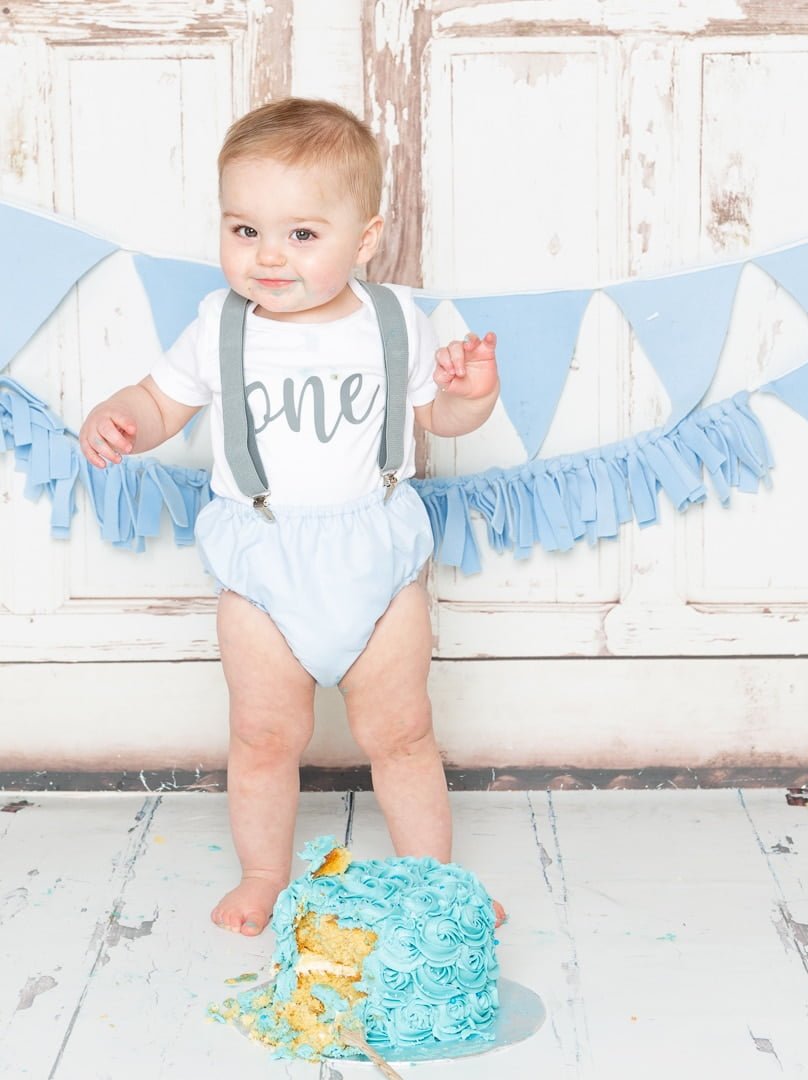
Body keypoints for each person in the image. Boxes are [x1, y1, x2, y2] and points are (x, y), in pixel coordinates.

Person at [79, 97, 503, 935]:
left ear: (365, 238)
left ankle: (434, 884)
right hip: (263, 559)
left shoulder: (394, 322)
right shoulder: (220, 325)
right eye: (245, 231)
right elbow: (164, 402)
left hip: (374, 552)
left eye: (302, 235)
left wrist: (472, 397)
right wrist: (124, 414)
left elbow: (437, 422)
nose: (269, 256)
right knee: (265, 737)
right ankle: (265, 874)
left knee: (405, 735)